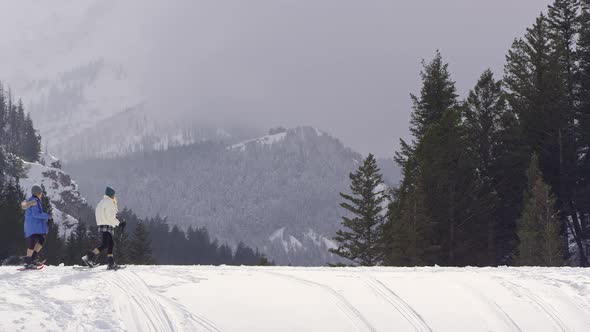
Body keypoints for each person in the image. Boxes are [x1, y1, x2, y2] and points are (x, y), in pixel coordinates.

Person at [81, 186, 126, 270]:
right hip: (107, 225)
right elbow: (110, 217)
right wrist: (119, 223)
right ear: (112, 195)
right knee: (107, 244)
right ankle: (89, 257)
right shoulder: (109, 202)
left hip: (102, 225)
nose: (114, 196)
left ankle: (108, 262)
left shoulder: (101, 202)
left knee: (108, 244)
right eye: (114, 195)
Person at [23, 185, 52, 269]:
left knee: (41, 240)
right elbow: (35, 214)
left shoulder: (34, 201)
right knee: (33, 242)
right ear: (38, 193)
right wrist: (47, 216)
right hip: (33, 226)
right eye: (41, 193)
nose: (41, 195)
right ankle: (28, 262)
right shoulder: (34, 201)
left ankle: (33, 258)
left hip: (34, 226)